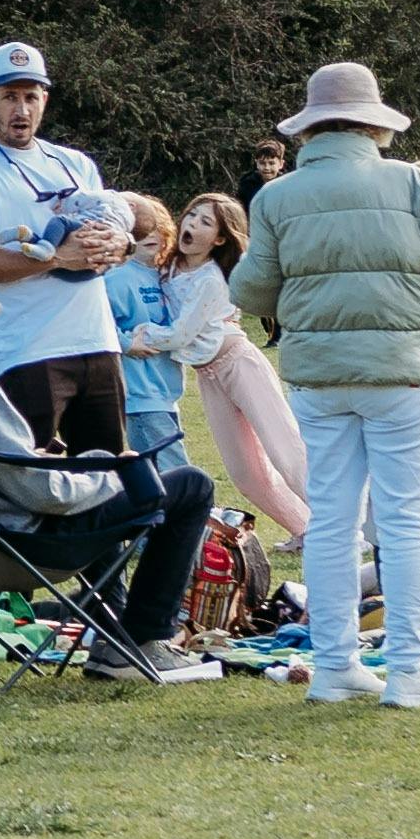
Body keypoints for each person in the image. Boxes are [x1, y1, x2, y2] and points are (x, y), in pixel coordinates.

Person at [229, 61, 420, 711]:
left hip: (318, 373)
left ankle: (335, 665)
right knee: (404, 521)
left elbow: (250, 290)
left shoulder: (276, 197)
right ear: (376, 124)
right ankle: (406, 671)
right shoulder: (416, 186)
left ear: (309, 129)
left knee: (333, 523)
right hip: (403, 371)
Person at [0, 265, 223, 679]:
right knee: (191, 485)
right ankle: (142, 641)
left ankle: (112, 632)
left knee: (88, 487)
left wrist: (46, 462)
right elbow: (46, 494)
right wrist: (101, 472)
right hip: (15, 544)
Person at [0, 42, 128, 458]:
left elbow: (112, 225)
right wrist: (55, 258)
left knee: (109, 474)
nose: (20, 110)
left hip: (98, 341)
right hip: (28, 351)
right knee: (28, 475)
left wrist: (119, 242)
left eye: (30, 97)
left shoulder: (76, 164)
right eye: (8, 97)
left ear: (45, 100)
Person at [163, 190, 304, 582]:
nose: (191, 224)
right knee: (245, 473)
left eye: (205, 222)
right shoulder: (169, 268)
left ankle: (349, 532)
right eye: (191, 215)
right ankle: (306, 528)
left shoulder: (212, 277)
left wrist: (140, 337)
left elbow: (181, 333)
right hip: (209, 376)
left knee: (286, 453)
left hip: (240, 364)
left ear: (221, 239)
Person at [110, 201, 195, 468]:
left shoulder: (164, 276)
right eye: (140, 229)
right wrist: (125, 343)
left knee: (170, 474)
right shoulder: (117, 278)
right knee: (175, 474)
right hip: (141, 396)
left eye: (156, 227)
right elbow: (92, 322)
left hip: (166, 392)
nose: (150, 234)